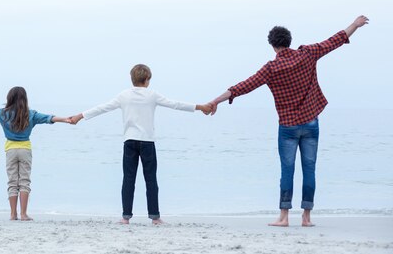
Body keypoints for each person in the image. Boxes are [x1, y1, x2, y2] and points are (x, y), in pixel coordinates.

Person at [207, 15, 369, 227]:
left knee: (287, 170)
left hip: (288, 127)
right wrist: (355, 25)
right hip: (311, 123)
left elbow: (244, 86)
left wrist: (216, 100)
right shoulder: (308, 54)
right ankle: (307, 217)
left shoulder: (271, 69)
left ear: (273, 46)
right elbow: (335, 40)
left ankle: (283, 217)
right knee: (310, 169)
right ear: (289, 41)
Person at [68, 64, 212, 225]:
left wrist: (80, 116)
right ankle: (155, 217)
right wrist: (201, 107)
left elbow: (103, 108)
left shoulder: (124, 95)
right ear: (147, 79)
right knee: (151, 179)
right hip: (147, 142)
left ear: (132, 79)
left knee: (128, 179)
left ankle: (125, 217)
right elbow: (175, 104)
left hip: (129, 141)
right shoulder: (152, 95)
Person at [0, 86, 71, 221]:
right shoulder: (31, 114)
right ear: (25, 99)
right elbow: (49, 118)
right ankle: (23, 214)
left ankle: (13, 214)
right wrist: (65, 119)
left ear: (9, 98)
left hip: (10, 150)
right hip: (25, 150)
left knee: (12, 182)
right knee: (24, 181)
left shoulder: (2, 113)